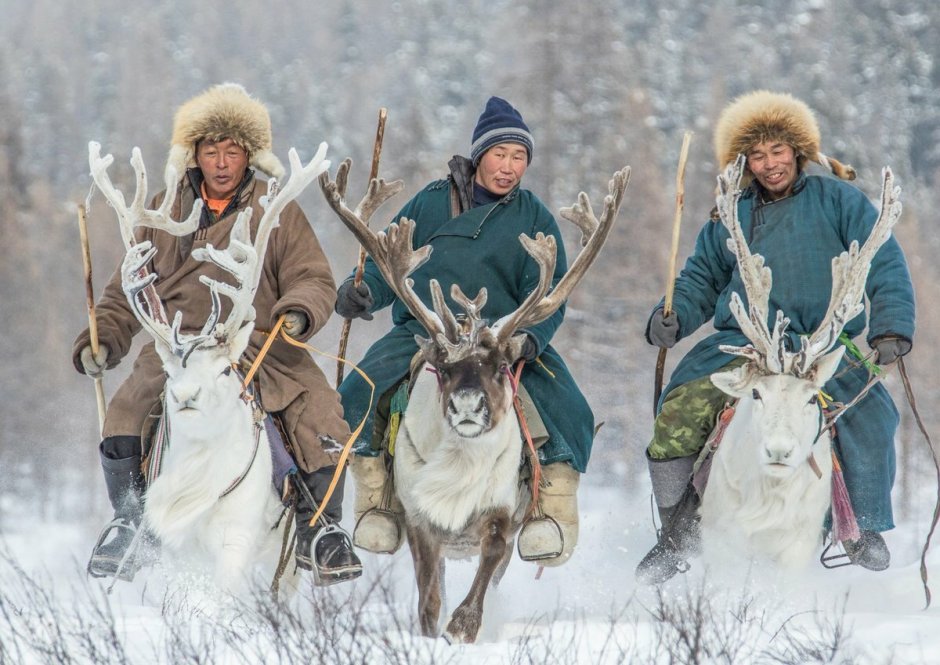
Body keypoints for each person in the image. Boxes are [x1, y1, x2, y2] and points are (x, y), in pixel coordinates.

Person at [73, 83, 362, 585]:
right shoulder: (160, 213)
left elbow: (312, 278)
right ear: (194, 155)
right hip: (175, 348)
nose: (222, 162)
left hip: (258, 344)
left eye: (233, 151)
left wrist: (297, 312)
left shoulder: (277, 211)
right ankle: (129, 521)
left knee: (321, 414)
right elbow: (125, 291)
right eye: (212, 150)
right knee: (123, 411)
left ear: (249, 155)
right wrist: (101, 339)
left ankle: (322, 529)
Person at [635, 90, 916, 583]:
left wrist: (892, 325)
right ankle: (678, 532)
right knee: (679, 409)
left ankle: (861, 526)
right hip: (744, 344)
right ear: (745, 163)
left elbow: (883, 259)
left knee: (871, 413)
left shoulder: (840, 200)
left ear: (798, 151)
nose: (769, 165)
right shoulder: (731, 212)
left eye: (778, 152)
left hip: (824, 346)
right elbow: (702, 276)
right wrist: (672, 314)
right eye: (757, 156)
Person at [335, 96, 589, 565]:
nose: (509, 167)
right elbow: (389, 261)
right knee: (359, 390)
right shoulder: (432, 203)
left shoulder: (533, 216)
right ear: (479, 156)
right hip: (428, 333)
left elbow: (551, 292)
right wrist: (364, 292)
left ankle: (549, 514)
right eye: (500, 155)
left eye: (519, 157)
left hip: (502, 340)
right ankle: (379, 504)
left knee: (567, 406)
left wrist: (528, 340)